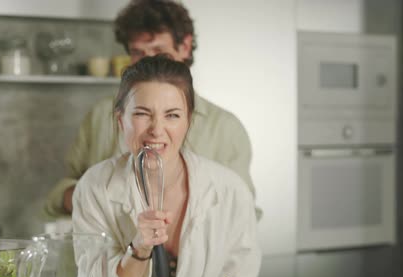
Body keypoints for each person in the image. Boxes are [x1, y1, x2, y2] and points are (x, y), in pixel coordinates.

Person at [72, 55, 261, 277]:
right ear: (120, 119)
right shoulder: (95, 187)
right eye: (142, 114)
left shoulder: (230, 191)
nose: (156, 130)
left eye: (172, 115)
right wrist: (138, 250)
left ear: (188, 122)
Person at [45, 0, 261, 221]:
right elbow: (62, 190)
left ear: (185, 47)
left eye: (159, 51)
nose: (150, 61)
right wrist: (91, 198)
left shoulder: (225, 127)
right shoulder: (101, 115)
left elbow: (242, 211)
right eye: (138, 52)